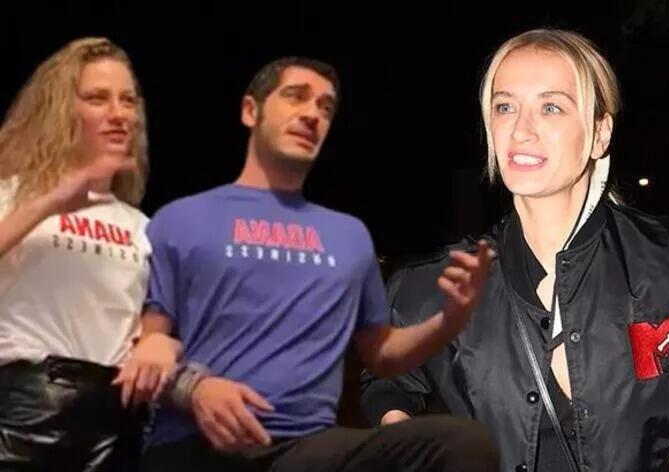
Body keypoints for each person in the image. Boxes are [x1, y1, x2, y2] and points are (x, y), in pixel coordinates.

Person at [360, 29, 669, 472]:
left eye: (551, 107)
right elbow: (389, 378)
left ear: (599, 133)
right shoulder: (437, 286)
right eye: (504, 107)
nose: (521, 129)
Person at [126, 56, 500, 472]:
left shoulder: (348, 236)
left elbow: (382, 354)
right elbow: (141, 347)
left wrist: (448, 321)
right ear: (250, 110)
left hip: (303, 448)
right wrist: (195, 390)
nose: (312, 114)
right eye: (295, 97)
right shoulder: (183, 220)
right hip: (199, 439)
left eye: (325, 107)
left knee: (463, 444)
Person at [0, 38, 155, 471]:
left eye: (128, 100)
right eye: (97, 98)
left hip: (116, 419)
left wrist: (153, 342)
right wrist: (47, 203)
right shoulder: (10, 195)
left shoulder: (142, 226)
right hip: (23, 412)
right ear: (60, 110)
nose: (119, 114)